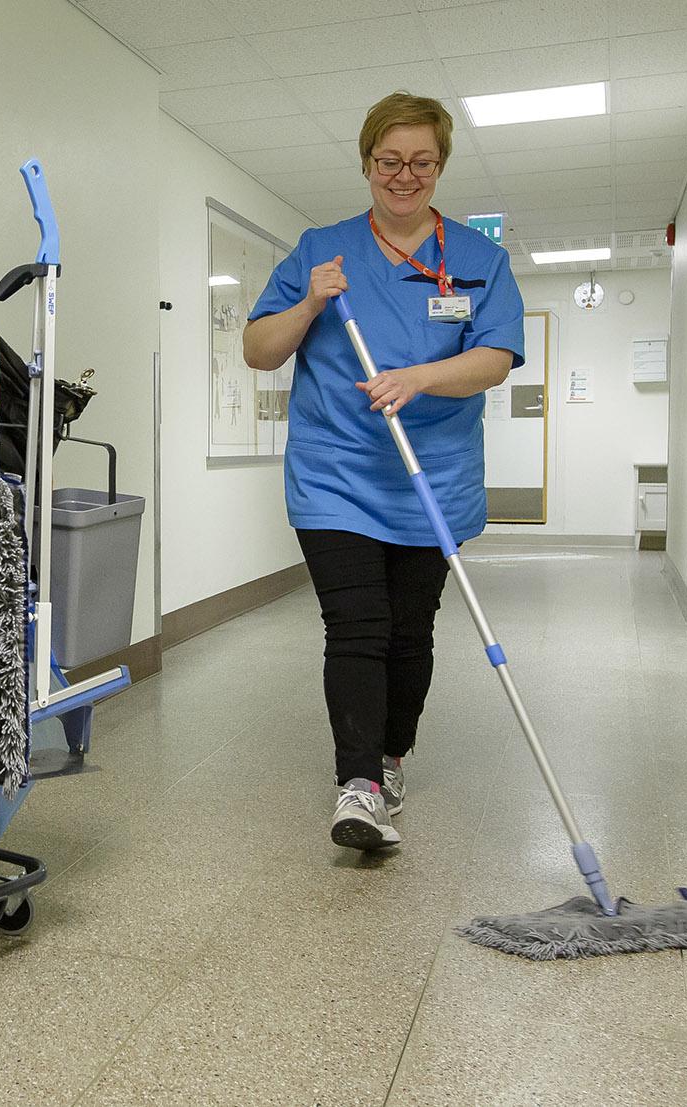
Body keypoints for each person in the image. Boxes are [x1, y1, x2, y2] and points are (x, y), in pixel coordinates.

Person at [243, 91, 525, 851]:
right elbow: (259, 349)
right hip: (336, 473)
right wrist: (309, 303)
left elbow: (495, 359)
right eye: (389, 161)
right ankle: (359, 783)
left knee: (410, 631)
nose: (405, 175)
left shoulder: (478, 260)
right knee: (356, 625)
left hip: (432, 475)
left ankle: (393, 754)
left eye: (421, 162)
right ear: (368, 162)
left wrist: (418, 378)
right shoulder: (321, 250)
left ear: (441, 165)